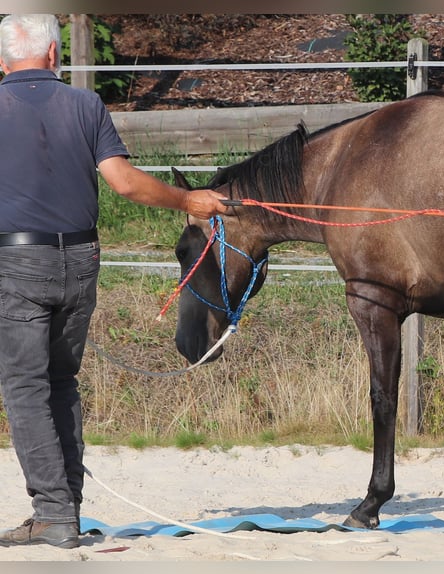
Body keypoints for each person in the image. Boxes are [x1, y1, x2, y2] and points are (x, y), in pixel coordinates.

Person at [0, 14, 228, 549]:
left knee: (25, 387)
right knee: (60, 381)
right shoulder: (85, 105)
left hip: (16, 262)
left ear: (1, 59)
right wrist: (187, 199)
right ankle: (66, 508)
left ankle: (54, 513)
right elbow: (124, 183)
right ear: (56, 55)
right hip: (81, 258)